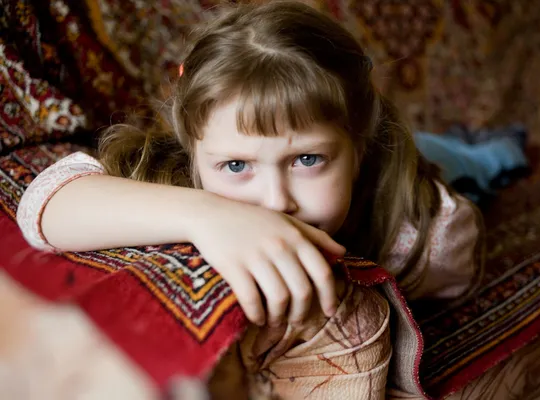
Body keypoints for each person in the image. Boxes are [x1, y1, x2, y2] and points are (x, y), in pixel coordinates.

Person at [16, 1, 485, 397]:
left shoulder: (419, 225)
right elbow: (41, 205)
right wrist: (206, 214)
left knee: (474, 160)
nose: (275, 201)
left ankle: (480, 149)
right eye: (237, 166)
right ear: (194, 153)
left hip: (421, 158)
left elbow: (458, 266)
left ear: (358, 150)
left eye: (307, 160)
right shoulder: (165, 173)